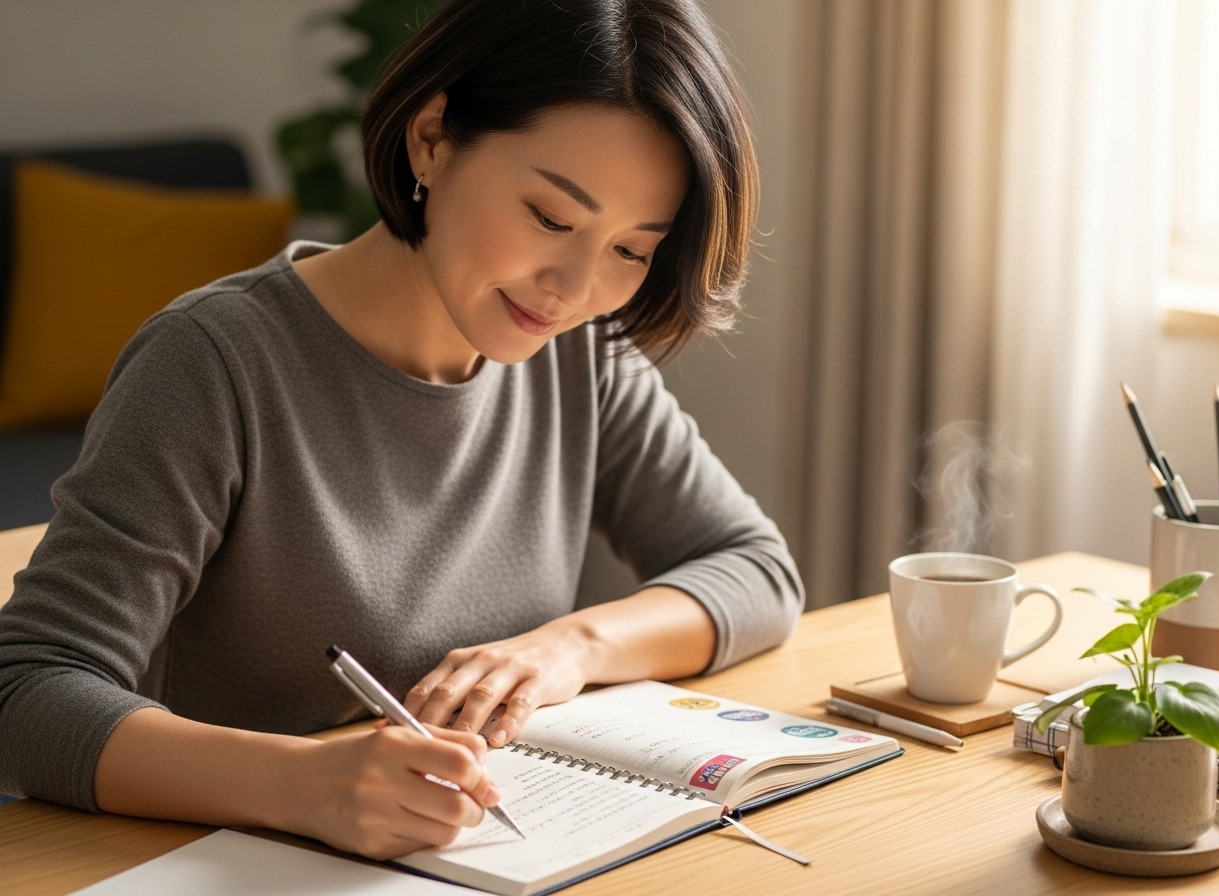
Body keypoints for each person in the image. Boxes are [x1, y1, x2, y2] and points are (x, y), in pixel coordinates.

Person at [0, 0, 802, 860]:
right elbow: (29, 692)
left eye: (632, 251)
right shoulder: (214, 362)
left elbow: (756, 571)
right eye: (552, 218)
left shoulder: (581, 359)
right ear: (432, 137)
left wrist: (567, 648)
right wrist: (305, 785)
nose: (573, 287)